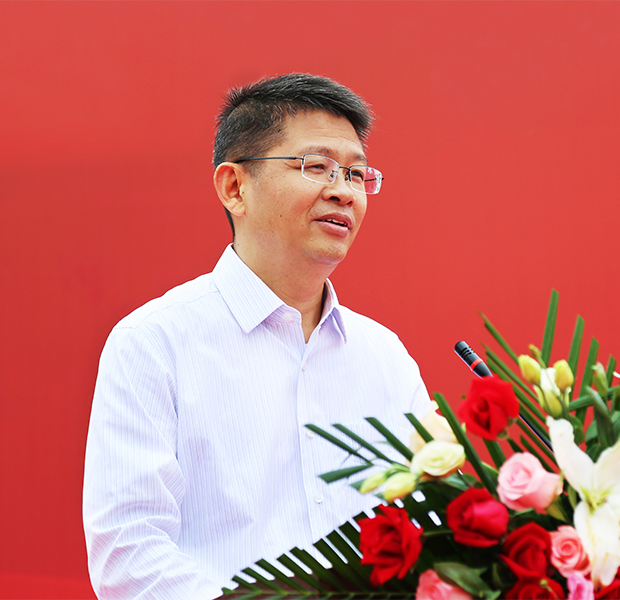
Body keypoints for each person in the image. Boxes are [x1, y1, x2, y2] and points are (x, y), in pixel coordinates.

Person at [83, 73, 430, 599]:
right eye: (317, 166)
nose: (343, 191)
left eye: (357, 174)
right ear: (235, 187)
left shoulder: (385, 357)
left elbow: (425, 525)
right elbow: (129, 553)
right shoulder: (153, 343)